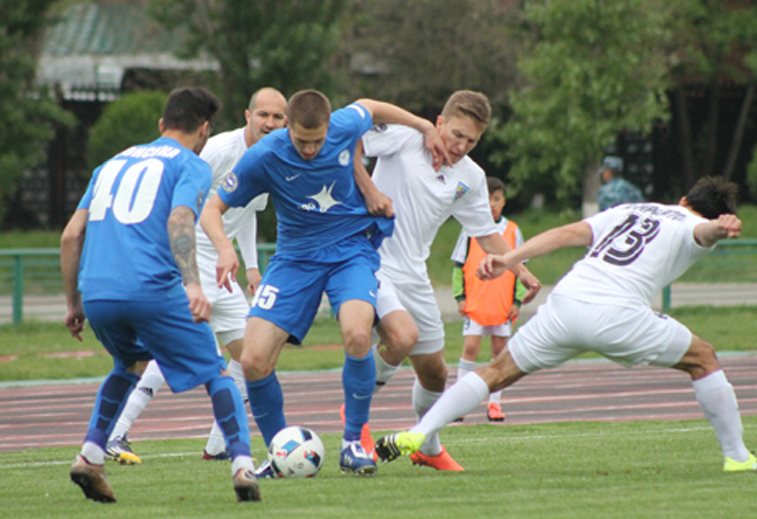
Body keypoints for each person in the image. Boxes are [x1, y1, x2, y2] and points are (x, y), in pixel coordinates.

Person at [375, 176, 757, 473]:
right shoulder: (689, 224)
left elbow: (567, 233)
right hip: (618, 314)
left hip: (565, 302)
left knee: (495, 372)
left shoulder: (631, 209)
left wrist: (509, 259)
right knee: (703, 358)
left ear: (683, 198)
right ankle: (738, 458)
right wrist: (719, 228)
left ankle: (422, 431)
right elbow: (701, 232)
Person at [199, 89, 450, 478]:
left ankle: (352, 443)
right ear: (288, 129)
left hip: (351, 251)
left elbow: (370, 105)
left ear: (330, 128)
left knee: (356, 332)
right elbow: (213, 209)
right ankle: (280, 453)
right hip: (294, 260)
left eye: (317, 141)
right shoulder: (266, 155)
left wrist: (421, 126)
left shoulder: (345, 125)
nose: (311, 149)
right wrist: (224, 249)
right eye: (301, 141)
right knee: (252, 360)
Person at [61, 87, 260, 504]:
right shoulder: (191, 164)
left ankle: (90, 455)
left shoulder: (109, 164)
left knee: (128, 365)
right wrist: (191, 283)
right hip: (151, 287)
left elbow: (70, 235)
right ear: (205, 129)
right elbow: (180, 217)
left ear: (161, 124)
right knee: (217, 372)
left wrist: (74, 304)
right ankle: (242, 465)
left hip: (98, 293)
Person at [352, 90, 540, 471]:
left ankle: (427, 444)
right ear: (439, 122)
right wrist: (369, 187)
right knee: (400, 339)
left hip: (414, 274)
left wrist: (520, 268)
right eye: (456, 134)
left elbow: (485, 232)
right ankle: (355, 422)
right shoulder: (405, 138)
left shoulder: (471, 177)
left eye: (471, 140)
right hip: (370, 262)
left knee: (436, 374)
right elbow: (351, 133)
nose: (460, 145)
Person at [104, 87, 288, 465]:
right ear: (247, 116)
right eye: (263, 115)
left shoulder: (272, 156)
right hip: (193, 259)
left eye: (278, 117)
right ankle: (116, 433)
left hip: (224, 267)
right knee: (170, 349)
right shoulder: (220, 150)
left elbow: (247, 212)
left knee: (251, 355)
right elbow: (179, 194)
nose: (270, 123)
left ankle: (220, 444)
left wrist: (250, 265)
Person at [451, 176, 526, 423]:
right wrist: (459, 296)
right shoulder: (470, 229)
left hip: (502, 303)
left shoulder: (513, 231)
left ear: (503, 202)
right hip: (476, 302)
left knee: (499, 353)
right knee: (470, 348)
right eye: (487, 199)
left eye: (496, 199)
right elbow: (458, 265)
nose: (491, 204)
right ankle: (459, 403)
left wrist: (517, 301)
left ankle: (495, 404)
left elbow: (521, 267)